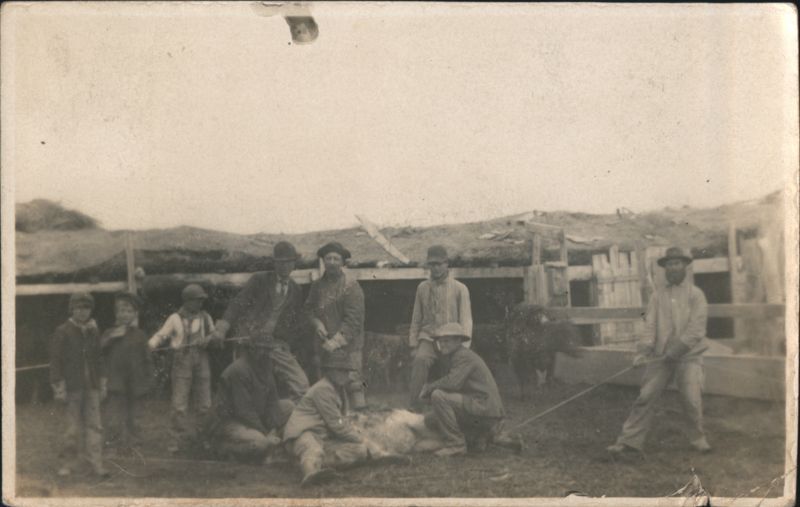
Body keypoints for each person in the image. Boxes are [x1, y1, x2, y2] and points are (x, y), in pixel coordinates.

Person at [607, 246, 712, 456]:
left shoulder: (696, 295)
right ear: (665, 269)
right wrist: (643, 351)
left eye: (677, 264)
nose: (673, 268)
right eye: (669, 265)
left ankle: (698, 439)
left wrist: (676, 351)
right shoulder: (657, 296)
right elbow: (650, 326)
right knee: (645, 396)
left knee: (691, 400)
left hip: (688, 357)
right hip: (659, 358)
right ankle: (629, 441)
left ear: (685, 266)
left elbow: (696, 330)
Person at [282, 351, 409, 486]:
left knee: (359, 450)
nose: (344, 375)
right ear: (329, 371)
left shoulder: (339, 389)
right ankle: (310, 473)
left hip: (324, 437)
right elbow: (337, 425)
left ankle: (315, 465)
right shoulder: (322, 389)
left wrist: (363, 443)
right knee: (312, 448)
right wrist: (364, 440)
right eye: (339, 370)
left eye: (346, 371)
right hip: (303, 434)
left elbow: (359, 387)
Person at [208, 241, 309, 402]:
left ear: (294, 264)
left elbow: (294, 321)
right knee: (245, 385)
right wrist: (221, 329)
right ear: (275, 263)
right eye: (280, 263)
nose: (284, 267)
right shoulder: (260, 280)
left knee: (301, 384)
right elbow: (238, 304)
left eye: (288, 262)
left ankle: (293, 420)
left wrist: (286, 343)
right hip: (250, 341)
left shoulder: (296, 290)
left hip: (275, 344)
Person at [419, 323, 522, 457]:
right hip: (480, 407)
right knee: (431, 420)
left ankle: (456, 444)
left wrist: (429, 387)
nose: (442, 345)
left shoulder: (463, 356)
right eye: (440, 341)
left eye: (446, 341)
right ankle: (481, 437)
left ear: (458, 341)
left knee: (439, 396)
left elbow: (452, 383)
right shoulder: (455, 356)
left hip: (483, 408)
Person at [202, 336, 294, 462]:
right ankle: (220, 447)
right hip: (229, 421)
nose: (266, 354)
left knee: (289, 406)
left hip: (253, 417)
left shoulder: (265, 366)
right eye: (262, 349)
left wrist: (274, 428)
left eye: (269, 350)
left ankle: (273, 444)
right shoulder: (238, 370)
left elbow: (272, 401)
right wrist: (266, 433)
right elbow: (244, 410)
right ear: (251, 350)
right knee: (261, 443)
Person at [148, 284, 217, 453]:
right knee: (179, 404)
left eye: (201, 301)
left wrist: (208, 339)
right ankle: (175, 442)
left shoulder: (206, 318)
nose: (200, 304)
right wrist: (149, 346)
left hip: (202, 360)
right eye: (196, 301)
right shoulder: (174, 318)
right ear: (186, 301)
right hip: (182, 362)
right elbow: (161, 335)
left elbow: (215, 336)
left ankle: (204, 440)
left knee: (205, 404)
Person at [49, 292, 109, 477]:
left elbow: (99, 359)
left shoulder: (93, 330)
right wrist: (59, 386)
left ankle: (96, 464)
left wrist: (102, 383)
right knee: (71, 428)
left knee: (95, 426)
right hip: (71, 387)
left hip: (91, 386)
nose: (83, 312)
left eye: (87, 308)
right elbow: (56, 361)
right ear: (72, 309)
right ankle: (67, 463)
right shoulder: (63, 331)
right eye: (79, 308)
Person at [408, 245, 473, 411]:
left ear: (447, 264)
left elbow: (466, 319)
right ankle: (414, 406)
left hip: (451, 340)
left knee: (451, 370)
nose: (435, 268)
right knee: (420, 360)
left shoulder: (460, 288)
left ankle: (448, 406)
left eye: (439, 264)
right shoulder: (422, 288)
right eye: (432, 264)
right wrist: (414, 343)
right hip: (428, 338)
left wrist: (464, 347)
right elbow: (416, 317)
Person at [304, 241, 367, 410]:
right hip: (324, 343)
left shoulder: (351, 286)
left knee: (353, 383)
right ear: (323, 261)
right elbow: (308, 309)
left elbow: (354, 321)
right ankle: (332, 419)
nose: (331, 262)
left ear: (342, 262)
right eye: (328, 258)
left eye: (336, 259)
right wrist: (317, 324)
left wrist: (336, 342)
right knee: (326, 384)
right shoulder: (317, 286)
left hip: (348, 344)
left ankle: (359, 420)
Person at [101, 292, 154, 454]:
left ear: (135, 314)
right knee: (113, 419)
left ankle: (135, 447)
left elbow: (147, 360)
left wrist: (149, 381)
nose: (124, 314)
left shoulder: (141, 335)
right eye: (121, 311)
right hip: (116, 383)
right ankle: (112, 447)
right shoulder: (109, 333)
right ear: (116, 313)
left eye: (128, 311)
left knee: (135, 418)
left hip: (136, 384)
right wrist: (111, 338)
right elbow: (99, 352)